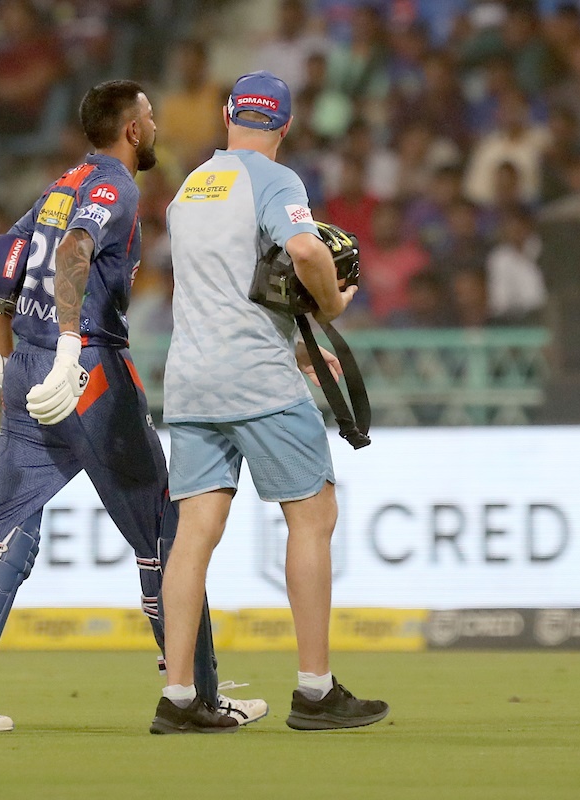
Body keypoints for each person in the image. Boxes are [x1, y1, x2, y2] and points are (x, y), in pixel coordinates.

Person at [0, 80, 264, 733]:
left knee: (0, 532)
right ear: (131, 130)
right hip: (90, 373)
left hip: (28, 371)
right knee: (164, 535)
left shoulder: (59, 185)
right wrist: (74, 346)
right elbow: (76, 251)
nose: (156, 126)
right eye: (151, 118)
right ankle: (196, 698)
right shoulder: (118, 188)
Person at [153, 71, 389, 734]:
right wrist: (334, 301)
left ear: (228, 112)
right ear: (284, 126)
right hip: (255, 376)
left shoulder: (189, 186)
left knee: (195, 533)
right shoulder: (273, 178)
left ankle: (178, 696)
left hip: (191, 378)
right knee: (312, 516)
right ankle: (314, 689)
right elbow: (307, 248)